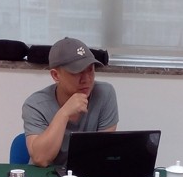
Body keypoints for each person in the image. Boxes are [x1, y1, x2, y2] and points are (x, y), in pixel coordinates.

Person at [22, 37, 118, 166]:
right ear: (56, 75)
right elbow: (41, 159)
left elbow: (103, 152)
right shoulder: (35, 104)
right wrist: (64, 113)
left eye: (90, 69)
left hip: (86, 173)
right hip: (46, 175)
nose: (87, 79)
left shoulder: (104, 94)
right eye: (77, 72)